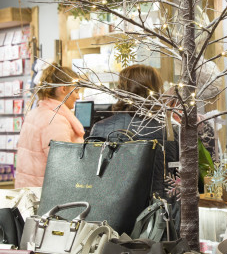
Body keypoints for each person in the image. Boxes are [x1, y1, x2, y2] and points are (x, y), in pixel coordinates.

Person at [91, 64, 179, 196]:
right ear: (155, 89)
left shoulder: (101, 128)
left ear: (121, 89)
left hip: (112, 207)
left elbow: (93, 174)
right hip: (154, 209)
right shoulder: (168, 130)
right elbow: (173, 176)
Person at [15, 65, 84, 188]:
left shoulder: (35, 113)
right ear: (63, 89)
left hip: (30, 192)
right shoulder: (55, 120)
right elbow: (65, 166)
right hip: (49, 195)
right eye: (76, 91)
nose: (78, 97)